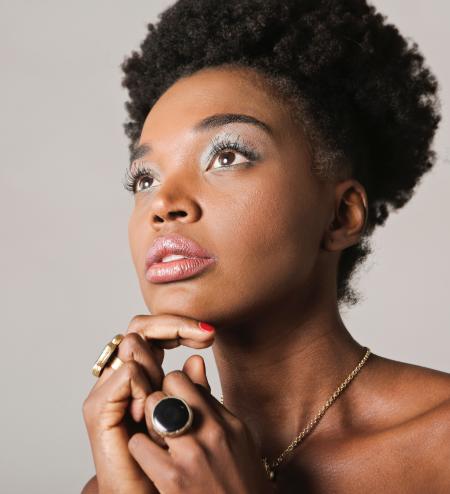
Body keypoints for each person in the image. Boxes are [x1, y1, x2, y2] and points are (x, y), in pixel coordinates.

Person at [82, 0, 450, 492]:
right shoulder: (137, 476)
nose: (163, 204)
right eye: (144, 178)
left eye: (226, 155)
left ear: (341, 216)